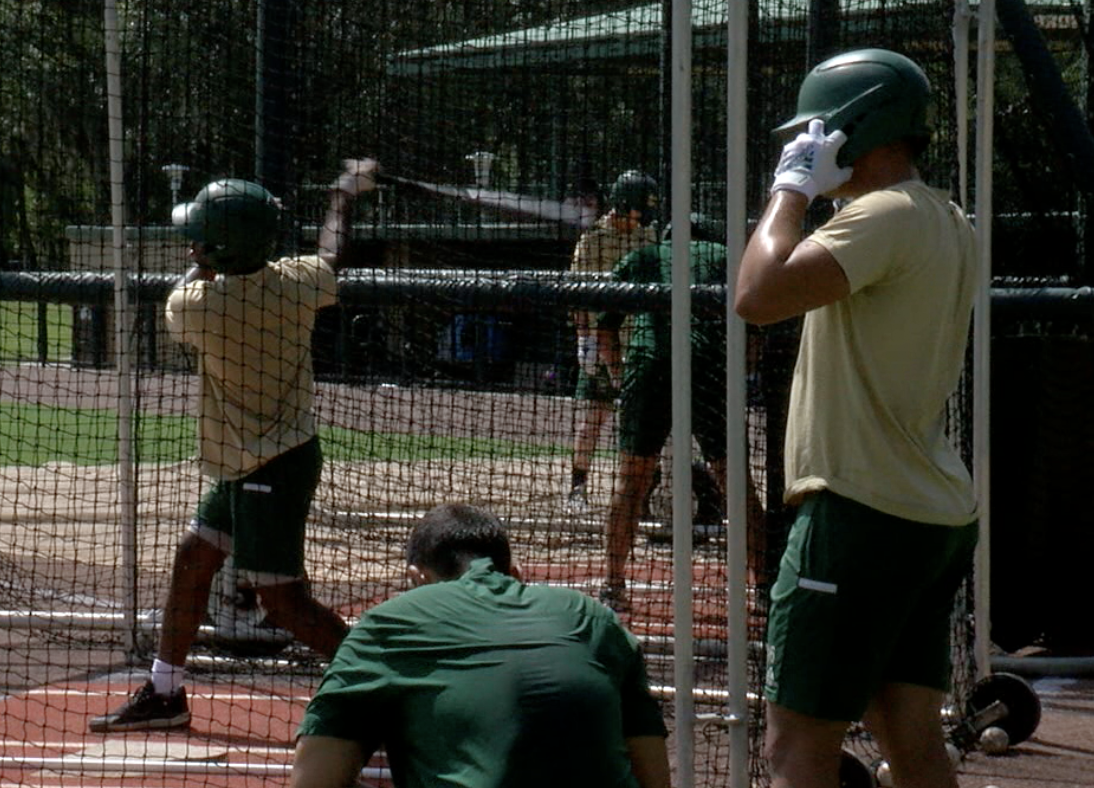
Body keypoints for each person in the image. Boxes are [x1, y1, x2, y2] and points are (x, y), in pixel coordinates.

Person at [734, 49, 979, 788]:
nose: (805, 146)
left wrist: (788, 192)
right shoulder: (946, 217)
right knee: (907, 731)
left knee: (795, 747)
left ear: (853, 128)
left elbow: (758, 295)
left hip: (857, 512)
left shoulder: (881, 215)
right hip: (930, 515)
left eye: (817, 130)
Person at [89, 159, 379, 733]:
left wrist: (202, 259)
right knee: (193, 560)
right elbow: (331, 253)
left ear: (215, 248)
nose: (190, 244)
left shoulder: (196, 306)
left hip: (269, 464)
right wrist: (344, 195)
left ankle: (387, 680)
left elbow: (193, 281)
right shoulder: (297, 284)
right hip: (263, 457)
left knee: (285, 605)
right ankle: (165, 692)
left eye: (198, 237)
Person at [290, 503, 670, 788]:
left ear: (416, 578)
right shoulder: (595, 619)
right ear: (516, 573)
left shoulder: (389, 623)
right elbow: (655, 778)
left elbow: (313, 781)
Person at [599, 229, 768, 611]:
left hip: (649, 367)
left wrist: (617, 377)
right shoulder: (725, 254)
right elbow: (755, 331)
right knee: (735, 482)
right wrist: (740, 376)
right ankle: (763, 588)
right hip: (710, 368)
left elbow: (605, 325)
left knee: (631, 482)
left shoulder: (644, 255)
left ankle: (613, 586)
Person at [567, 170, 660, 513]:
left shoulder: (648, 236)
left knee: (645, 421)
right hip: (600, 340)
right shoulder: (592, 240)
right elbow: (578, 296)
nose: (641, 219)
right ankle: (577, 487)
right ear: (623, 205)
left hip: (637, 342)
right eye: (638, 211)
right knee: (595, 415)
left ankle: (649, 491)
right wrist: (584, 341)